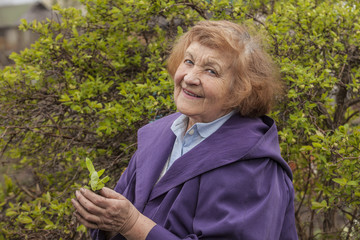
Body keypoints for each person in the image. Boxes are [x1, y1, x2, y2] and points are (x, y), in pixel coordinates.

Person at [72, 20, 298, 240]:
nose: (189, 78)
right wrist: (101, 217)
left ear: (240, 90)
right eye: (188, 61)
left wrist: (132, 224)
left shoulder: (254, 166)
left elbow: (130, 222)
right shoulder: (159, 136)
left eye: (211, 71)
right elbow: (117, 221)